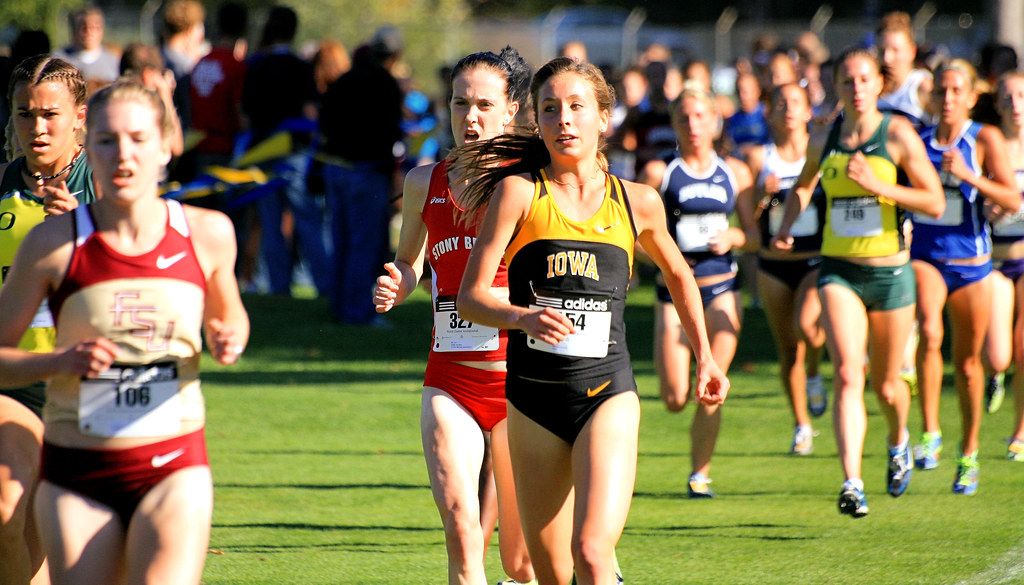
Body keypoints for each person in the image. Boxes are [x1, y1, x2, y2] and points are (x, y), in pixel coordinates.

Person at [455, 57, 729, 585]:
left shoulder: (637, 201)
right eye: (549, 109)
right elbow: (470, 298)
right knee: (552, 573)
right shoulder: (519, 194)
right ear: (535, 120)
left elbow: (679, 275)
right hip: (532, 403)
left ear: (604, 117)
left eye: (576, 107)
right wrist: (521, 317)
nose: (563, 119)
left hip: (607, 394)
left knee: (592, 552)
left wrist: (707, 358)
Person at [0, 78, 248, 585]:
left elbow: (231, 316)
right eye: (108, 141)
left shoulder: (208, 233)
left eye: (138, 139)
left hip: (173, 468)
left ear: (165, 147)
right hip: (78, 472)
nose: (123, 155)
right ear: (89, 148)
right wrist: (59, 361)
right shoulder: (52, 243)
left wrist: (229, 336)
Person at [373, 47, 535, 585]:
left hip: (522, 385)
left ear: (511, 110)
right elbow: (411, 262)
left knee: (522, 562)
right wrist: (398, 282)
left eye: (484, 105)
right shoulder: (425, 182)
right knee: (463, 530)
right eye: (460, 103)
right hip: (450, 381)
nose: (470, 117)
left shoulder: (532, 184)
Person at [773, 47, 944, 517]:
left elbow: (933, 201)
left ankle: (898, 439)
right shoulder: (824, 138)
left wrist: (879, 186)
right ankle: (852, 483)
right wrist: (787, 224)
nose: (857, 88)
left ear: (880, 84)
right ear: (836, 86)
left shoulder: (898, 134)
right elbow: (803, 185)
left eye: (865, 79)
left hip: (890, 275)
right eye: (847, 80)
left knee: (887, 387)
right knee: (849, 373)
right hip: (839, 271)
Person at [0, 55, 97, 585]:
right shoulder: (1, 184)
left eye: (49, 114)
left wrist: (88, 233)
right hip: (13, 381)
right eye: (24, 114)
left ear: (79, 116)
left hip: (89, 387)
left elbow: (147, 273)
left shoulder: (106, 185)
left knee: (55, 550)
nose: (36, 127)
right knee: (4, 510)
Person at [909, 59, 1020, 495]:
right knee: (929, 330)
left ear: (972, 97)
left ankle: (969, 452)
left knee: (970, 364)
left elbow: (1011, 197)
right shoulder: (916, 140)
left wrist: (969, 176)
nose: (948, 98)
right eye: (941, 90)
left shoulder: (983, 138)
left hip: (972, 262)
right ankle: (930, 432)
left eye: (957, 91)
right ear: (931, 96)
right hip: (925, 256)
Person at [640, 87, 754, 497]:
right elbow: (633, 236)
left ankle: (699, 475)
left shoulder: (735, 172)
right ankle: (689, 431)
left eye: (701, 116)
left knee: (712, 387)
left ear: (715, 122)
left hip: (721, 287)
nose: (693, 125)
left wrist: (735, 236)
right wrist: (667, 260)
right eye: (684, 117)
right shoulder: (660, 173)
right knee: (675, 397)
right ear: (673, 123)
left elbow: (754, 235)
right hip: (673, 293)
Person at [743, 82, 827, 455]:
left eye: (796, 102)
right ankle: (802, 425)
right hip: (773, 264)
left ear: (808, 111)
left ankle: (815, 373)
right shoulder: (759, 158)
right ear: (769, 113)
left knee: (807, 326)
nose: (788, 108)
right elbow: (747, 219)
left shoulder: (821, 152)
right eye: (780, 103)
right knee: (788, 350)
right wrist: (763, 195)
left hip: (815, 259)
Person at [241, 5, 329, 297]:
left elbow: (246, 113)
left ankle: (278, 286)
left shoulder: (255, 66)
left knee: (271, 224)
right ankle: (324, 284)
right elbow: (312, 112)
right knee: (308, 221)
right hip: (295, 154)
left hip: (262, 153)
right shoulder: (301, 67)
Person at [319, 28, 404, 324]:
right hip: (366, 171)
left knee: (341, 241)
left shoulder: (344, 80)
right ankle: (356, 312)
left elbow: (324, 122)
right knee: (362, 244)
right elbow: (392, 132)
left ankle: (339, 306)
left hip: (336, 169)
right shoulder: (386, 84)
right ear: (394, 55)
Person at [990, 72, 1024, 460]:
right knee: (998, 354)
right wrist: (991, 207)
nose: (1015, 104)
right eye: (1008, 97)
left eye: (1022, 96)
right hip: (994, 261)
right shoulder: (988, 146)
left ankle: (1020, 432)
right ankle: (994, 375)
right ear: (997, 104)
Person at [876, 12, 933, 127]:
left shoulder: (922, 87)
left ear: (912, 51)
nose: (887, 58)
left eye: (895, 50)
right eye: (882, 51)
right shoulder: (869, 88)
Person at [55, 5, 120, 95]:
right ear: (74, 30)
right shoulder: (59, 61)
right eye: (83, 27)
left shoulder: (114, 63)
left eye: (95, 27)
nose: (89, 32)